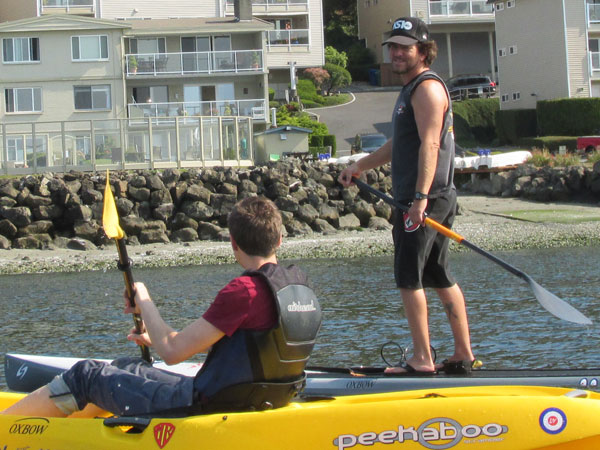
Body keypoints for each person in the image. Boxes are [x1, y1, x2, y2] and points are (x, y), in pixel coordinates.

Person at [2, 197, 321, 417]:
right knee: (126, 366)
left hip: (210, 407)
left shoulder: (245, 291)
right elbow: (242, 351)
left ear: (233, 243)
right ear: (279, 239)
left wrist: (144, 299)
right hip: (253, 398)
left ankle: (9, 429)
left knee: (86, 374)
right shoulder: (300, 286)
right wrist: (153, 336)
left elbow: (171, 352)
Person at [338, 17, 476, 375]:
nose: (397, 53)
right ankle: (462, 354)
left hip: (426, 199)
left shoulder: (427, 89)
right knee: (438, 274)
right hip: (429, 197)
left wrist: (419, 199)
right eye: (393, 47)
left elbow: (431, 144)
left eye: (405, 47)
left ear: (423, 50)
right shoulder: (412, 88)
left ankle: (422, 360)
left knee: (408, 277)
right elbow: (398, 145)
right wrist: (360, 166)